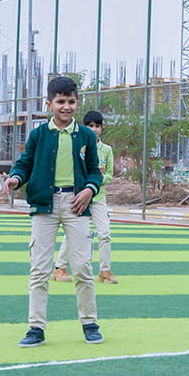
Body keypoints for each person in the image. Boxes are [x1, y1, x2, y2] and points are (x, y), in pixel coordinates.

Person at [4, 76, 103, 347]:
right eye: (60, 101)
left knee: (82, 267)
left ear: (77, 103)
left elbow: (95, 171)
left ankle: (90, 323)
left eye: (71, 101)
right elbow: (24, 163)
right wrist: (15, 179)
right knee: (39, 269)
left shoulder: (86, 136)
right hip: (44, 206)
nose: (66, 106)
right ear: (49, 104)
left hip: (76, 205)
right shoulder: (38, 135)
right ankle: (35, 328)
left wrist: (89, 189)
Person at [81, 110, 117, 283]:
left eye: (97, 126)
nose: (94, 129)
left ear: (102, 128)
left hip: (98, 198)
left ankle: (105, 271)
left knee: (105, 234)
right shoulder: (79, 148)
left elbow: (109, 174)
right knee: (74, 234)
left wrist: (99, 179)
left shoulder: (107, 150)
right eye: (90, 126)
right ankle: (60, 268)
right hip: (80, 197)